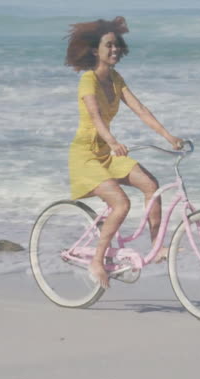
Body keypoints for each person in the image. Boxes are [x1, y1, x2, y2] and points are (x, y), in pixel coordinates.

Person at [64, 17, 184, 289]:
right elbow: (95, 118)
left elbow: (141, 110)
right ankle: (97, 260)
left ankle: (157, 248)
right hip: (85, 155)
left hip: (107, 154)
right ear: (96, 50)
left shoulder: (116, 79)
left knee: (151, 185)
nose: (115, 49)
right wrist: (114, 141)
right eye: (109, 45)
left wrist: (169, 137)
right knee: (121, 204)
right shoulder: (88, 81)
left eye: (117, 45)